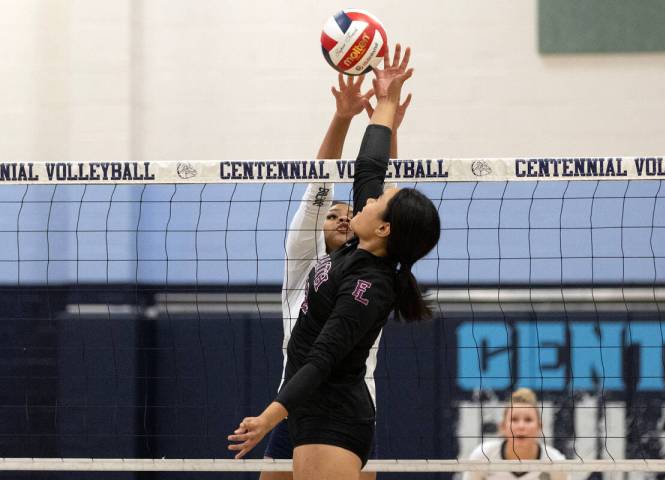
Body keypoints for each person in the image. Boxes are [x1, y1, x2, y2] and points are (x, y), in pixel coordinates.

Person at [228, 44, 441, 480]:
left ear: (382, 229)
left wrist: (269, 418)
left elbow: (323, 357)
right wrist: (384, 102)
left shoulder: (369, 284)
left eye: (370, 206)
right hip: (303, 404)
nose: (351, 210)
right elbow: (369, 169)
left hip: (330, 408)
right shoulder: (348, 251)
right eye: (335, 213)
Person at [260, 68, 411, 480]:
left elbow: (386, 198)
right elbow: (319, 188)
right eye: (334, 215)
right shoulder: (303, 262)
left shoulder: (373, 273)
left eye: (351, 213)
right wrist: (345, 117)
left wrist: (388, 119)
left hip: (345, 410)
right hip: (294, 403)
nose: (345, 218)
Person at [463, 388, 567, 480]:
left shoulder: (555, 462)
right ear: (503, 427)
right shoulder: (483, 455)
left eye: (528, 420)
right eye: (514, 419)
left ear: (539, 427)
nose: (521, 426)